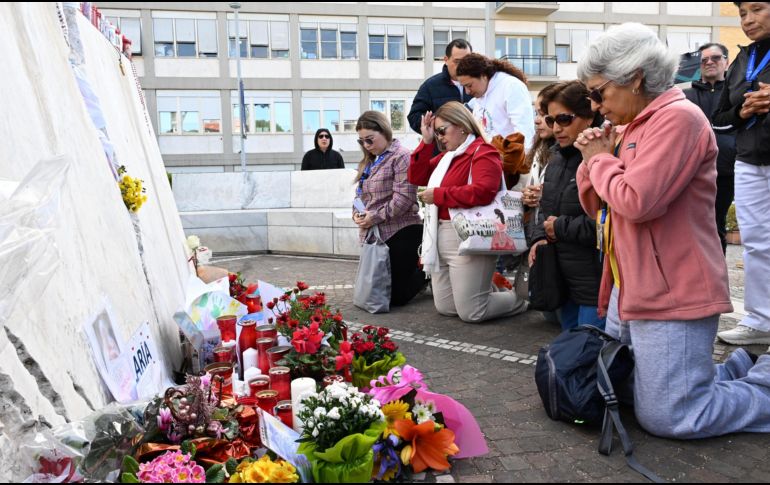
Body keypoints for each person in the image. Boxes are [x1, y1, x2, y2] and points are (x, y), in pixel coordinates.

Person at [575, 22, 770, 440]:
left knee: (673, 416)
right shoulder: (633, 124)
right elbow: (600, 209)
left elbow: (637, 202)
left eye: (599, 93)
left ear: (635, 77)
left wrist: (598, 161)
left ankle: (760, 388)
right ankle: (733, 368)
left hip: (673, 290)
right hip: (634, 287)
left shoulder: (678, 118)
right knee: (628, 391)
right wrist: (592, 162)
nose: (595, 105)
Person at [408, 101, 528, 323]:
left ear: (462, 125)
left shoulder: (484, 152)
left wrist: (440, 195)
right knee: (446, 306)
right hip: (441, 235)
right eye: (437, 134)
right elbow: (417, 177)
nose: (440, 138)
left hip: (472, 235)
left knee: (472, 312)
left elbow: (483, 192)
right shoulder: (449, 157)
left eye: (442, 131)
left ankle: (522, 298)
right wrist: (426, 143)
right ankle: (486, 290)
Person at [713, 1, 770, 347]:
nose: (747, 20)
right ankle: (761, 319)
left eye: (757, 9)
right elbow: (719, 119)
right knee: (755, 244)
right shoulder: (743, 60)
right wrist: (743, 109)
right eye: (742, 13)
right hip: (749, 162)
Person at [528, 81, 605, 331]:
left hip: (594, 281)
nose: (557, 128)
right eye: (551, 121)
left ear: (588, 115)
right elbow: (547, 209)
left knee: (590, 353)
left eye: (564, 118)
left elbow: (608, 222)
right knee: (571, 353)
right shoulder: (557, 157)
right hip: (561, 277)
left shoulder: (604, 155)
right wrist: (539, 237)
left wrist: (558, 227)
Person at [353, 111, 427, 307]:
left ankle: (427, 272)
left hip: (402, 230)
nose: (366, 146)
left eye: (370, 140)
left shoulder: (401, 156)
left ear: (384, 132)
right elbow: (359, 195)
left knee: (396, 298)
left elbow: (404, 198)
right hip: (376, 231)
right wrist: (357, 214)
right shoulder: (370, 160)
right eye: (361, 141)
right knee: (378, 291)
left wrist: (374, 217)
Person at [684, 43, 736, 254]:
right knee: (686, 227)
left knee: (715, 226)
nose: (709, 62)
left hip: (724, 171)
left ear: (726, 61)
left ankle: (716, 281)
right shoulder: (684, 96)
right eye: (704, 60)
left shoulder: (736, 95)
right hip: (690, 172)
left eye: (715, 58)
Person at [455, 53, 535, 152]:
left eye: (469, 85)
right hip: (489, 159)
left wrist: (517, 162)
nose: (467, 91)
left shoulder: (511, 86)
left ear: (483, 75)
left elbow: (525, 132)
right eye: (464, 87)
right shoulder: (479, 95)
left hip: (511, 161)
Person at [407, 39, 473, 135]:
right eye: (457, 61)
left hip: (475, 146)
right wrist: (442, 126)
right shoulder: (430, 86)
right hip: (443, 147)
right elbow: (414, 118)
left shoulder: (479, 82)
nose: (463, 65)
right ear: (446, 60)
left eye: (467, 61)